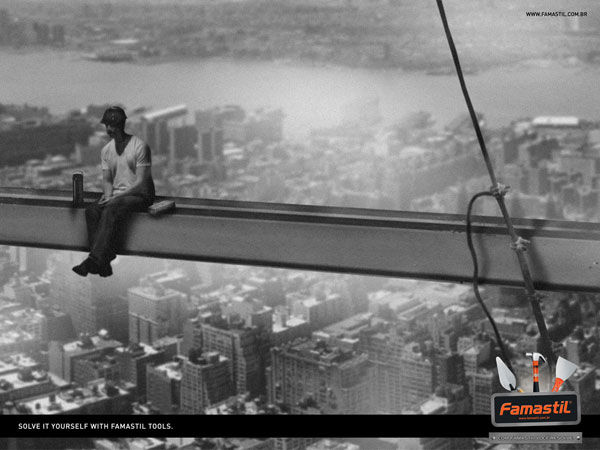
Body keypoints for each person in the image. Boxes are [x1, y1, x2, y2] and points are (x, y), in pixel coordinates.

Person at [73, 106, 155, 277]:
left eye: (113, 125)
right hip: (118, 195)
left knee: (112, 208)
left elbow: (141, 182)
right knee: (92, 210)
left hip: (140, 195)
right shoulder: (106, 151)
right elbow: (108, 179)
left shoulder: (139, 147)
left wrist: (115, 197)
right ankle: (104, 262)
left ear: (122, 124)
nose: (109, 129)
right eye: (107, 125)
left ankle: (94, 260)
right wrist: (108, 195)